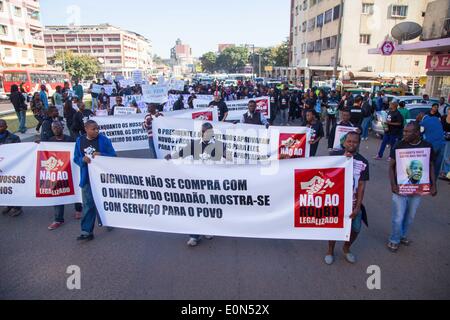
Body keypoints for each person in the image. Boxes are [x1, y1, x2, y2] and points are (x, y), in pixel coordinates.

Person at [165, 122, 223, 247]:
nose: (208, 134)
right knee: (195, 209)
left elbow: (228, 157)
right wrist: (171, 156)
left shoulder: (218, 145)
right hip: (195, 182)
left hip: (210, 182)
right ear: (201, 132)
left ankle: (207, 230)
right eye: (205, 132)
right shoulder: (194, 144)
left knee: (208, 208)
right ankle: (194, 236)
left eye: (210, 132)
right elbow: (181, 153)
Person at [387, 122, 438, 252]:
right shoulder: (399, 145)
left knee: (410, 216)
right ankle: (394, 239)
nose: (404, 134)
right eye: (404, 131)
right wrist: (393, 185)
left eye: (407, 132)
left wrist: (433, 185)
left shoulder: (427, 146)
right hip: (400, 188)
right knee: (398, 217)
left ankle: (402, 235)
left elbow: (431, 165)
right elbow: (391, 166)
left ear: (416, 133)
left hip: (417, 189)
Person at [325, 132, 369, 265]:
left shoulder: (363, 162)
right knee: (334, 229)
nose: (351, 144)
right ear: (344, 143)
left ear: (358, 143)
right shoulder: (334, 157)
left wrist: (357, 207)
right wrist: (342, 160)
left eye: (355, 142)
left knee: (356, 229)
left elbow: (361, 186)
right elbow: (326, 175)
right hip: (336, 202)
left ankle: (346, 248)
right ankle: (330, 251)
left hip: (353, 203)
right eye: (349, 141)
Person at [74, 120, 117, 241]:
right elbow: (76, 158)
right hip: (87, 178)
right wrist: (83, 160)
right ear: (86, 129)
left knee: (105, 201)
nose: (97, 131)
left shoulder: (104, 140)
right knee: (88, 205)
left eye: (97, 128)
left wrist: (102, 155)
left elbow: (113, 156)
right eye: (93, 129)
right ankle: (86, 232)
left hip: (103, 179)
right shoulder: (79, 141)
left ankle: (109, 221)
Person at [42, 121, 83, 230]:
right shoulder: (49, 142)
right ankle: (58, 219)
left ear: (62, 127)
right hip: (58, 173)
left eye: (58, 127)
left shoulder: (70, 140)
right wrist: (38, 145)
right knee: (57, 193)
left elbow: (77, 152)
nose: (56, 129)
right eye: (54, 127)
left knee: (75, 189)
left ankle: (78, 209)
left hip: (71, 169)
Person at [0, 119, 23, 217]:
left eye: (2, 126)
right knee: (4, 187)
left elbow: (20, 152)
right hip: (1, 168)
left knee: (13, 187)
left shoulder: (14, 138)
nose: (0, 128)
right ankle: (8, 205)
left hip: (12, 167)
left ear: (6, 127)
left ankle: (17, 207)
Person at [418, 112, 446, 179]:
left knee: (429, 164)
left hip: (432, 145)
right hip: (442, 144)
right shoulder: (436, 119)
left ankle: (428, 181)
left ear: (421, 115)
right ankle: (434, 182)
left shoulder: (423, 123)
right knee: (437, 165)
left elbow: (419, 134)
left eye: (418, 116)